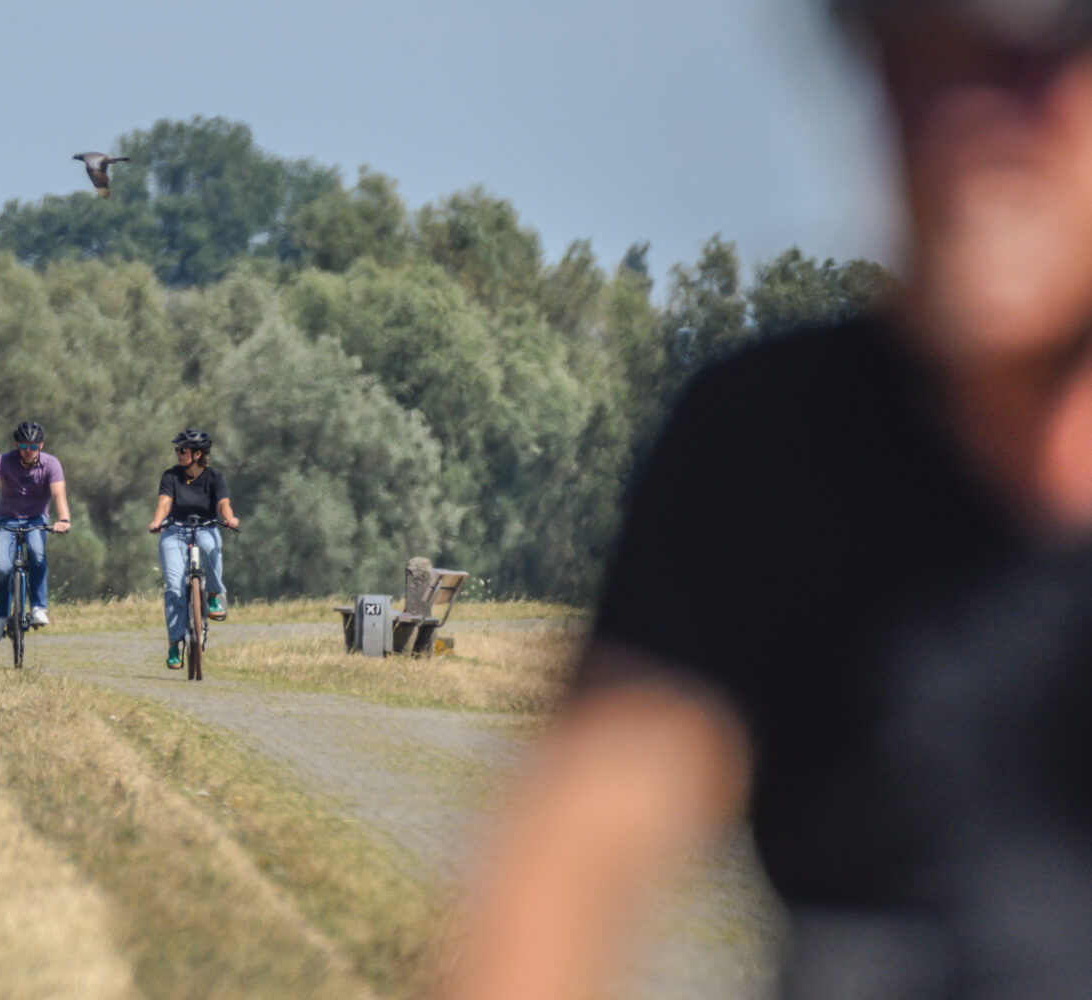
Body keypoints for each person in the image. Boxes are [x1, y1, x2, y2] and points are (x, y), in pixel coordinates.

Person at [439, 2, 1092, 998]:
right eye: (911, 66)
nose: (960, 123)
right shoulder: (772, 442)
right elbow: (568, 872)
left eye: (1021, 69)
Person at [0, 421, 71, 641]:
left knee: (37, 553)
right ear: (16, 445)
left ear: (41, 446)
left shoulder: (51, 464)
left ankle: (38, 607)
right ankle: (0, 617)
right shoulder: (3, 461)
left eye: (33, 446)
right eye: (24, 446)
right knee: (1, 568)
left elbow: (59, 495)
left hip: (36, 519)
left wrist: (63, 520)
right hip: (6, 519)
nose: (28, 451)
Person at [147, 428, 239, 669]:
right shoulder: (171, 476)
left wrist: (230, 518)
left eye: (183, 450)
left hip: (206, 528)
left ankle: (212, 596)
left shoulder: (214, 478)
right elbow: (164, 502)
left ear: (198, 454)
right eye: (177, 450)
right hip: (174, 532)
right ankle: (174, 644)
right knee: (175, 589)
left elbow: (223, 503)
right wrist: (157, 521)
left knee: (211, 549)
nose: (178, 454)